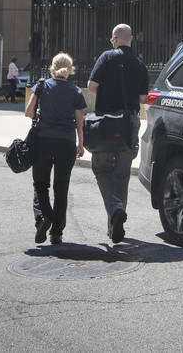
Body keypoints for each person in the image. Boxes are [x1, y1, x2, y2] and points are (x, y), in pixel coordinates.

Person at [87, 24, 149, 243]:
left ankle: (114, 210)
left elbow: (91, 85)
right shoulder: (140, 63)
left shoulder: (106, 57)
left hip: (106, 123)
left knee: (102, 170)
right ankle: (116, 223)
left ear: (114, 39)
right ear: (130, 39)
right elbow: (143, 99)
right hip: (129, 123)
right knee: (122, 175)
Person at [24, 52, 86, 245]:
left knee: (40, 184)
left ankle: (43, 218)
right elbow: (79, 122)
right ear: (69, 71)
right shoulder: (75, 91)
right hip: (66, 144)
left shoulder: (42, 86)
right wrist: (81, 144)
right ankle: (56, 233)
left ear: (52, 69)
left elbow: (28, 112)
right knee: (61, 188)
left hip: (43, 141)